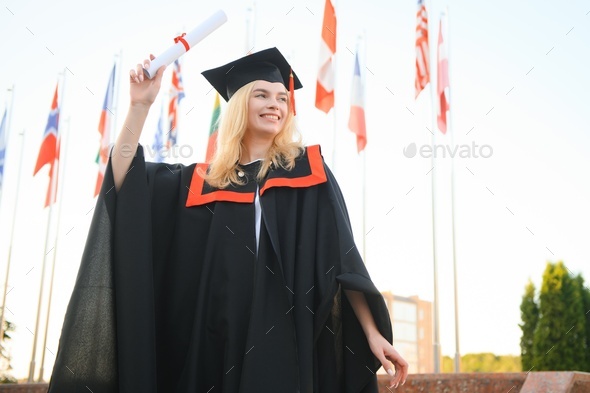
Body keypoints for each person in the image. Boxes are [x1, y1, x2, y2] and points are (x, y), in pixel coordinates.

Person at [48, 47, 408, 393]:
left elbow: (341, 258)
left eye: (283, 98)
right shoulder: (204, 181)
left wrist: (373, 333)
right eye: (263, 95)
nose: (275, 105)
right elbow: (124, 180)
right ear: (239, 106)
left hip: (283, 333)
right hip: (213, 334)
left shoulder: (309, 172)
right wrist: (139, 106)